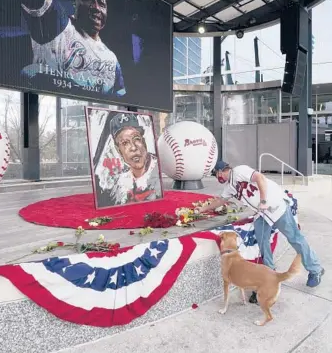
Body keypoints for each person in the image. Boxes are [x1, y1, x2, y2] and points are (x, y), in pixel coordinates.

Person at [194, 161, 324, 302]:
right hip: (262, 214)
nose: (217, 177)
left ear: (221, 171)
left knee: (295, 239)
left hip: (275, 205)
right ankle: (268, 279)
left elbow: (260, 178)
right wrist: (201, 210)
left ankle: (315, 270)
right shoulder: (229, 187)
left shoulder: (239, 170)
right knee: (262, 244)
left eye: (216, 174)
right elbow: (220, 201)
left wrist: (263, 200)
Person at [19, 0, 126, 97]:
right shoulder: (59, 26)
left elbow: (120, 98)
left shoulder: (112, 59)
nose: (96, 8)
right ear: (74, 0)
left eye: (101, 3)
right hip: (47, 104)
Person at [95, 113, 162, 206]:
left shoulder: (158, 172)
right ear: (119, 150)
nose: (133, 148)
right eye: (125, 143)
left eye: (137, 139)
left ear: (143, 141)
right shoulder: (120, 184)